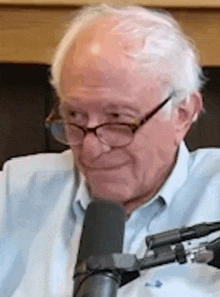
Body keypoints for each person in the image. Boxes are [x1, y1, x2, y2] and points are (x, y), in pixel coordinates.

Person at [1, 4, 220, 297]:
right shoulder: (15, 194)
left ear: (182, 113)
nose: (91, 150)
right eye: (75, 118)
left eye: (118, 121)